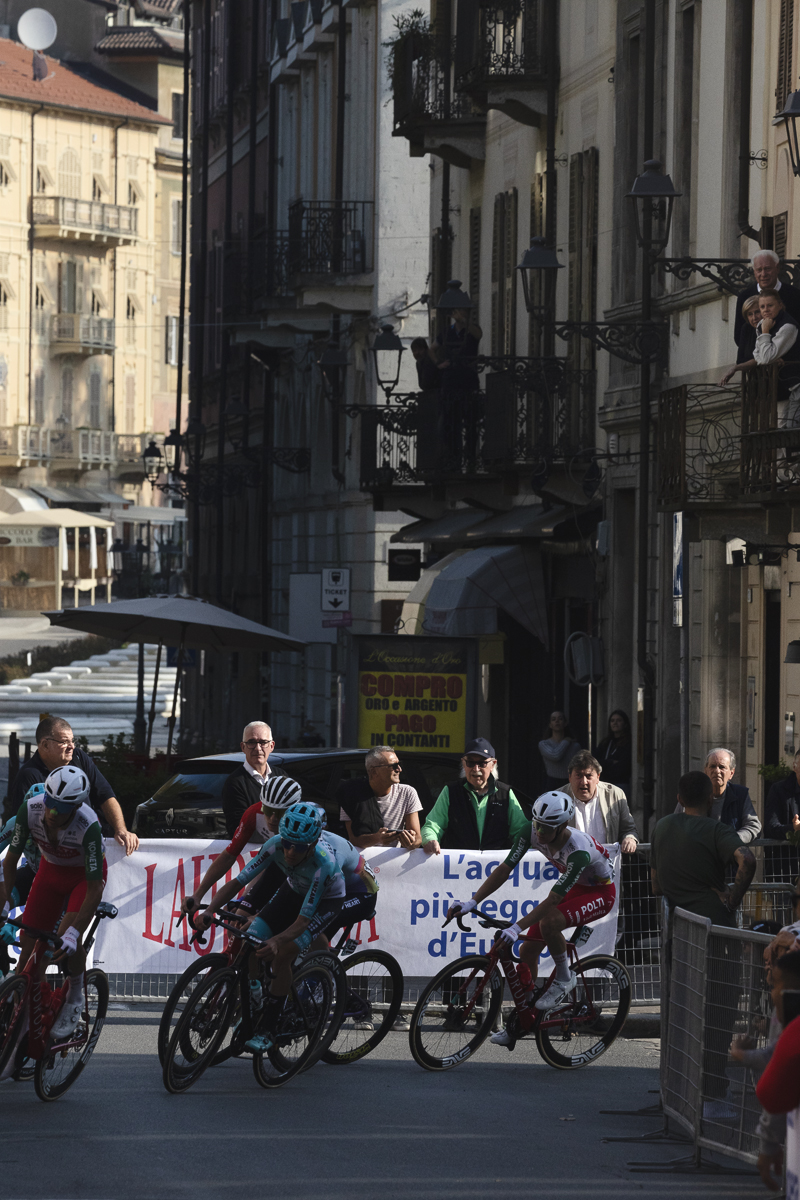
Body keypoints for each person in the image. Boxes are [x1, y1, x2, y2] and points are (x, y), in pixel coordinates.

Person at [197, 802, 378, 1053]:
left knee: (284, 953)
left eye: (299, 847)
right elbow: (239, 881)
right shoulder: (275, 845)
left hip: (351, 894)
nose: (291, 851)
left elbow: (303, 921)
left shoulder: (325, 863)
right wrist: (209, 909)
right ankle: (257, 994)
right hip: (299, 885)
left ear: (312, 845)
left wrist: (277, 941)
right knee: (251, 937)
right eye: (287, 844)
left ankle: (273, 1025)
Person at [446, 789, 617, 1044]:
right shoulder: (531, 831)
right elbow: (504, 869)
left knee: (550, 922)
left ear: (563, 826)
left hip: (600, 893)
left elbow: (553, 900)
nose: (539, 832)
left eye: (546, 828)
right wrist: (471, 902)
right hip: (578, 888)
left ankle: (564, 978)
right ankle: (524, 1019)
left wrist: (515, 927)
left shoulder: (577, 851)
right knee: (527, 951)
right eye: (537, 824)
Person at [651, 771, 756, 1118]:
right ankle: (712, 1093)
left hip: (678, 932)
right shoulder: (715, 830)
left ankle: (679, 1087)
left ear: (679, 798)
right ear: (711, 798)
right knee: (719, 1010)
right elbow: (748, 859)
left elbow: (656, 885)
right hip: (716, 934)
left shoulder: (662, 827)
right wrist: (731, 899)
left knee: (682, 1009)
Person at [0, 766, 107, 1039]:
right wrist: (4, 904)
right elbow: (10, 861)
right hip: (51, 872)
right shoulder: (30, 809)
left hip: (83, 878)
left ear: (76, 807)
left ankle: (75, 995)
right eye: (50, 803)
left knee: (64, 937)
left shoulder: (89, 826)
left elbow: (95, 888)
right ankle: (33, 1008)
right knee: (28, 951)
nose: (52, 812)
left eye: (62, 808)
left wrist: (74, 932)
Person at [182, 775, 304, 926]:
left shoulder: (303, 825)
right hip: (277, 868)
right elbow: (230, 857)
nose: (272, 818)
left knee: (269, 926)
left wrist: (260, 915)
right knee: (238, 922)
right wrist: (198, 896)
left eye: (279, 813)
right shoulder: (254, 814)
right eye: (268, 809)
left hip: (304, 877)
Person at [5, 715, 137, 855]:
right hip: (52, 855)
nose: (72, 746)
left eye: (73, 741)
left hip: (91, 845)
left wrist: (120, 829)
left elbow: (105, 795)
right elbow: (21, 826)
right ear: (45, 745)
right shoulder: (28, 776)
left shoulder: (79, 757)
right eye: (64, 742)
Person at [420, 738, 529, 854]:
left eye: (482, 763)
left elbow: (520, 832)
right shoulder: (451, 791)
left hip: (497, 864)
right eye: (470, 763)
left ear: (493, 764)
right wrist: (430, 839)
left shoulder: (505, 793)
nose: (476, 769)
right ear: (463, 763)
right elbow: (433, 825)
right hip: (457, 863)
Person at [756, 949, 800, 1195]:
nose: (773, 994)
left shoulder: (793, 1037)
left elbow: (771, 1093)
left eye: (777, 986)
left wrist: (768, 1145)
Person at [336, 746, 422, 850]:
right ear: (373, 771)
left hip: (394, 858)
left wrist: (411, 841)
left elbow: (417, 838)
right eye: (393, 766)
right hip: (360, 858)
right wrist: (377, 838)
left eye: (399, 764)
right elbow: (353, 840)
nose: (399, 769)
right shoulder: (351, 794)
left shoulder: (407, 793)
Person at [432, 298, 482, 468]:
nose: (461, 313)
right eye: (458, 310)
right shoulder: (447, 332)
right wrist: (438, 363)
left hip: (468, 381)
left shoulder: (472, 330)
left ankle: (470, 458)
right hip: (451, 382)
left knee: (471, 422)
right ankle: (453, 459)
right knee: (450, 423)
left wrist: (465, 322)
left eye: (464, 310)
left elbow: (478, 335)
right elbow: (432, 349)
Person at [673, 748, 761, 843]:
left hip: (728, 850)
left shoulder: (740, 794)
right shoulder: (693, 792)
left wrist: (733, 839)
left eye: (722, 767)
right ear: (706, 770)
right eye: (712, 766)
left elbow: (754, 826)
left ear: (731, 773)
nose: (717, 771)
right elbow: (676, 824)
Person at [562, 750, 638, 852]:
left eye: (589, 776)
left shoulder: (615, 795)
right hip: (570, 861)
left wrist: (630, 839)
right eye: (578, 775)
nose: (584, 782)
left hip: (607, 860)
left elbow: (629, 829)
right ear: (570, 777)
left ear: (598, 777)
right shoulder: (558, 798)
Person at [222, 721, 283, 836]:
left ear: (271, 746)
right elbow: (238, 829)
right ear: (243, 747)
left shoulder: (281, 777)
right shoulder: (235, 783)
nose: (258, 748)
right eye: (251, 742)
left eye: (263, 742)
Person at [734, 249, 800, 350]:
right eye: (759, 270)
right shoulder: (744, 297)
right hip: (753, 358)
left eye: (767, 268)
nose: (763, 274)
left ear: (777, 268)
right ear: (754, 272)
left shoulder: (795, 295)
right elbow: (739, 336)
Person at [765, 752, 800, 882]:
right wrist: (793, 829)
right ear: (794, 766)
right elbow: (770, 827)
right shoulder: (778, 790)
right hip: (786, 871)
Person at [719, 295, 761, 385]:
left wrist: (738, 367)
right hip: (754, 382)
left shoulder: (769, 326)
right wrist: (755, 360)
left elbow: (765, 357)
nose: (754, 317)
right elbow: (740, 360)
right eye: (750, 314)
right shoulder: (746, 328)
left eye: (757, 312)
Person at [592, 710, 632, 796]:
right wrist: (611, 762)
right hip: (603, 783)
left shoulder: (628, 743)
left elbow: (623, 766)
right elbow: (594, 761)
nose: (615, 723)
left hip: (620, 784)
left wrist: (604, 764)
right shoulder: (605, 743)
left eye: (619, 720)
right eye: (612, 720)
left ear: (625, 724)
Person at [538, 711, 582, 790]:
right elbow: (555, 756)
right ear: (550, 724)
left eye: (560, 719)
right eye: (553, 719)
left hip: (570, 783)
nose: (557, 721)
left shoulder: (575, 746)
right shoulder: (544, 744)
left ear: (565, 723)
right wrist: (566, 741)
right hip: (551, 783)